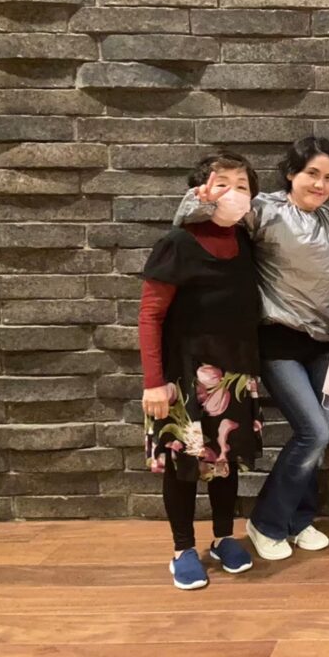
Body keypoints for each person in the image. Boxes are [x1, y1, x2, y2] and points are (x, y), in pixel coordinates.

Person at [173, 137, 329, 561]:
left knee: (315, 442)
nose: (320, 184)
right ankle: (267, 522)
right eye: (312, 173)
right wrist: (204, 199)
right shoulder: (264, 209)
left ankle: (299, 519)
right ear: (291, 173)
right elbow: (197, 223)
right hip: (277, 341)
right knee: (314, 433)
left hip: (325, 345)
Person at [140, 151, 262, 589]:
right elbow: (151, 315)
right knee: (184, 464)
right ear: (200, 191)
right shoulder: (178, 242)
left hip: (235, 374)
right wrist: (154, 383)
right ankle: (183, 549)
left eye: (243, 185)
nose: (234, 193)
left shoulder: (245, 241)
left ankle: (224, 537)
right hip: (185, 375)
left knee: (226, 460)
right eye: (222, 183)